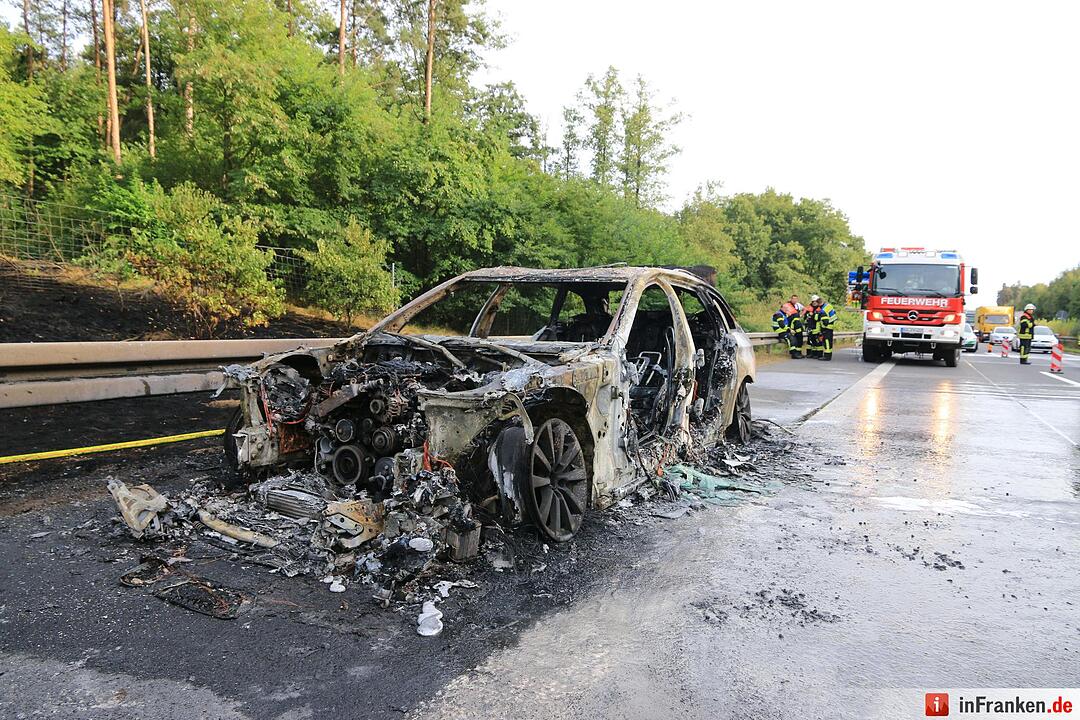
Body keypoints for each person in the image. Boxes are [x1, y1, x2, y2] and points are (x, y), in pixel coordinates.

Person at [811, 294, 838, 361]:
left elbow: (825, 321)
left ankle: (827, 356)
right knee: (828, 342)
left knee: (827, 342)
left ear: (819, 303)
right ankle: (828, 355)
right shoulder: (828, 306)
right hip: (830, 326)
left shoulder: (823, 310)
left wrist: (823, 326)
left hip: (827, 328)